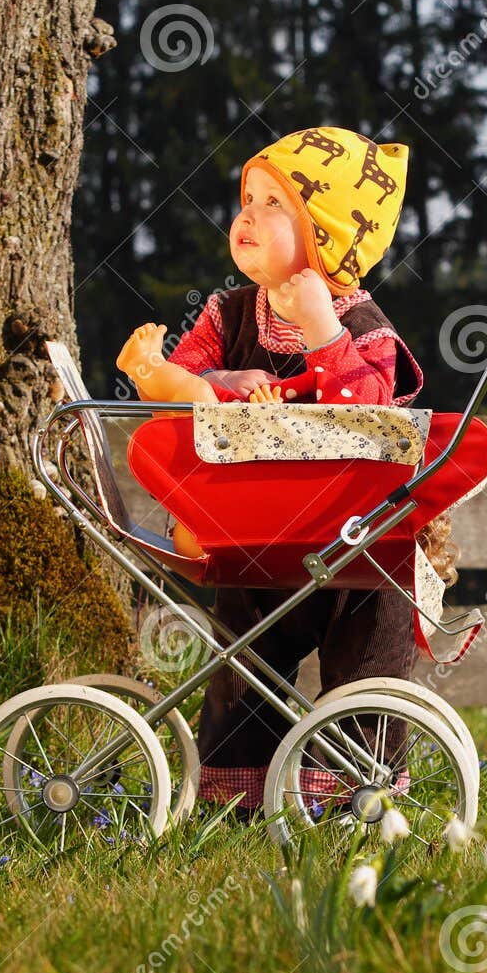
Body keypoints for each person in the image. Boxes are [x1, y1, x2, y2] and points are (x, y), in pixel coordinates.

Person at [117, 124, 432, 809]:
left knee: (372, 647)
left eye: (272, 204)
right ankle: (242, 791)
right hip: (250, 522)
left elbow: (374, 424)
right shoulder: (228, 310)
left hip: (350, 535)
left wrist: (323, 331)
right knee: (246, 654)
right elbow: (188, 406)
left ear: (325, 236)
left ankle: (353, 781)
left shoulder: (365, 326)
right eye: (247, 197)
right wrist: (196, 384)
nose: (247, 215)